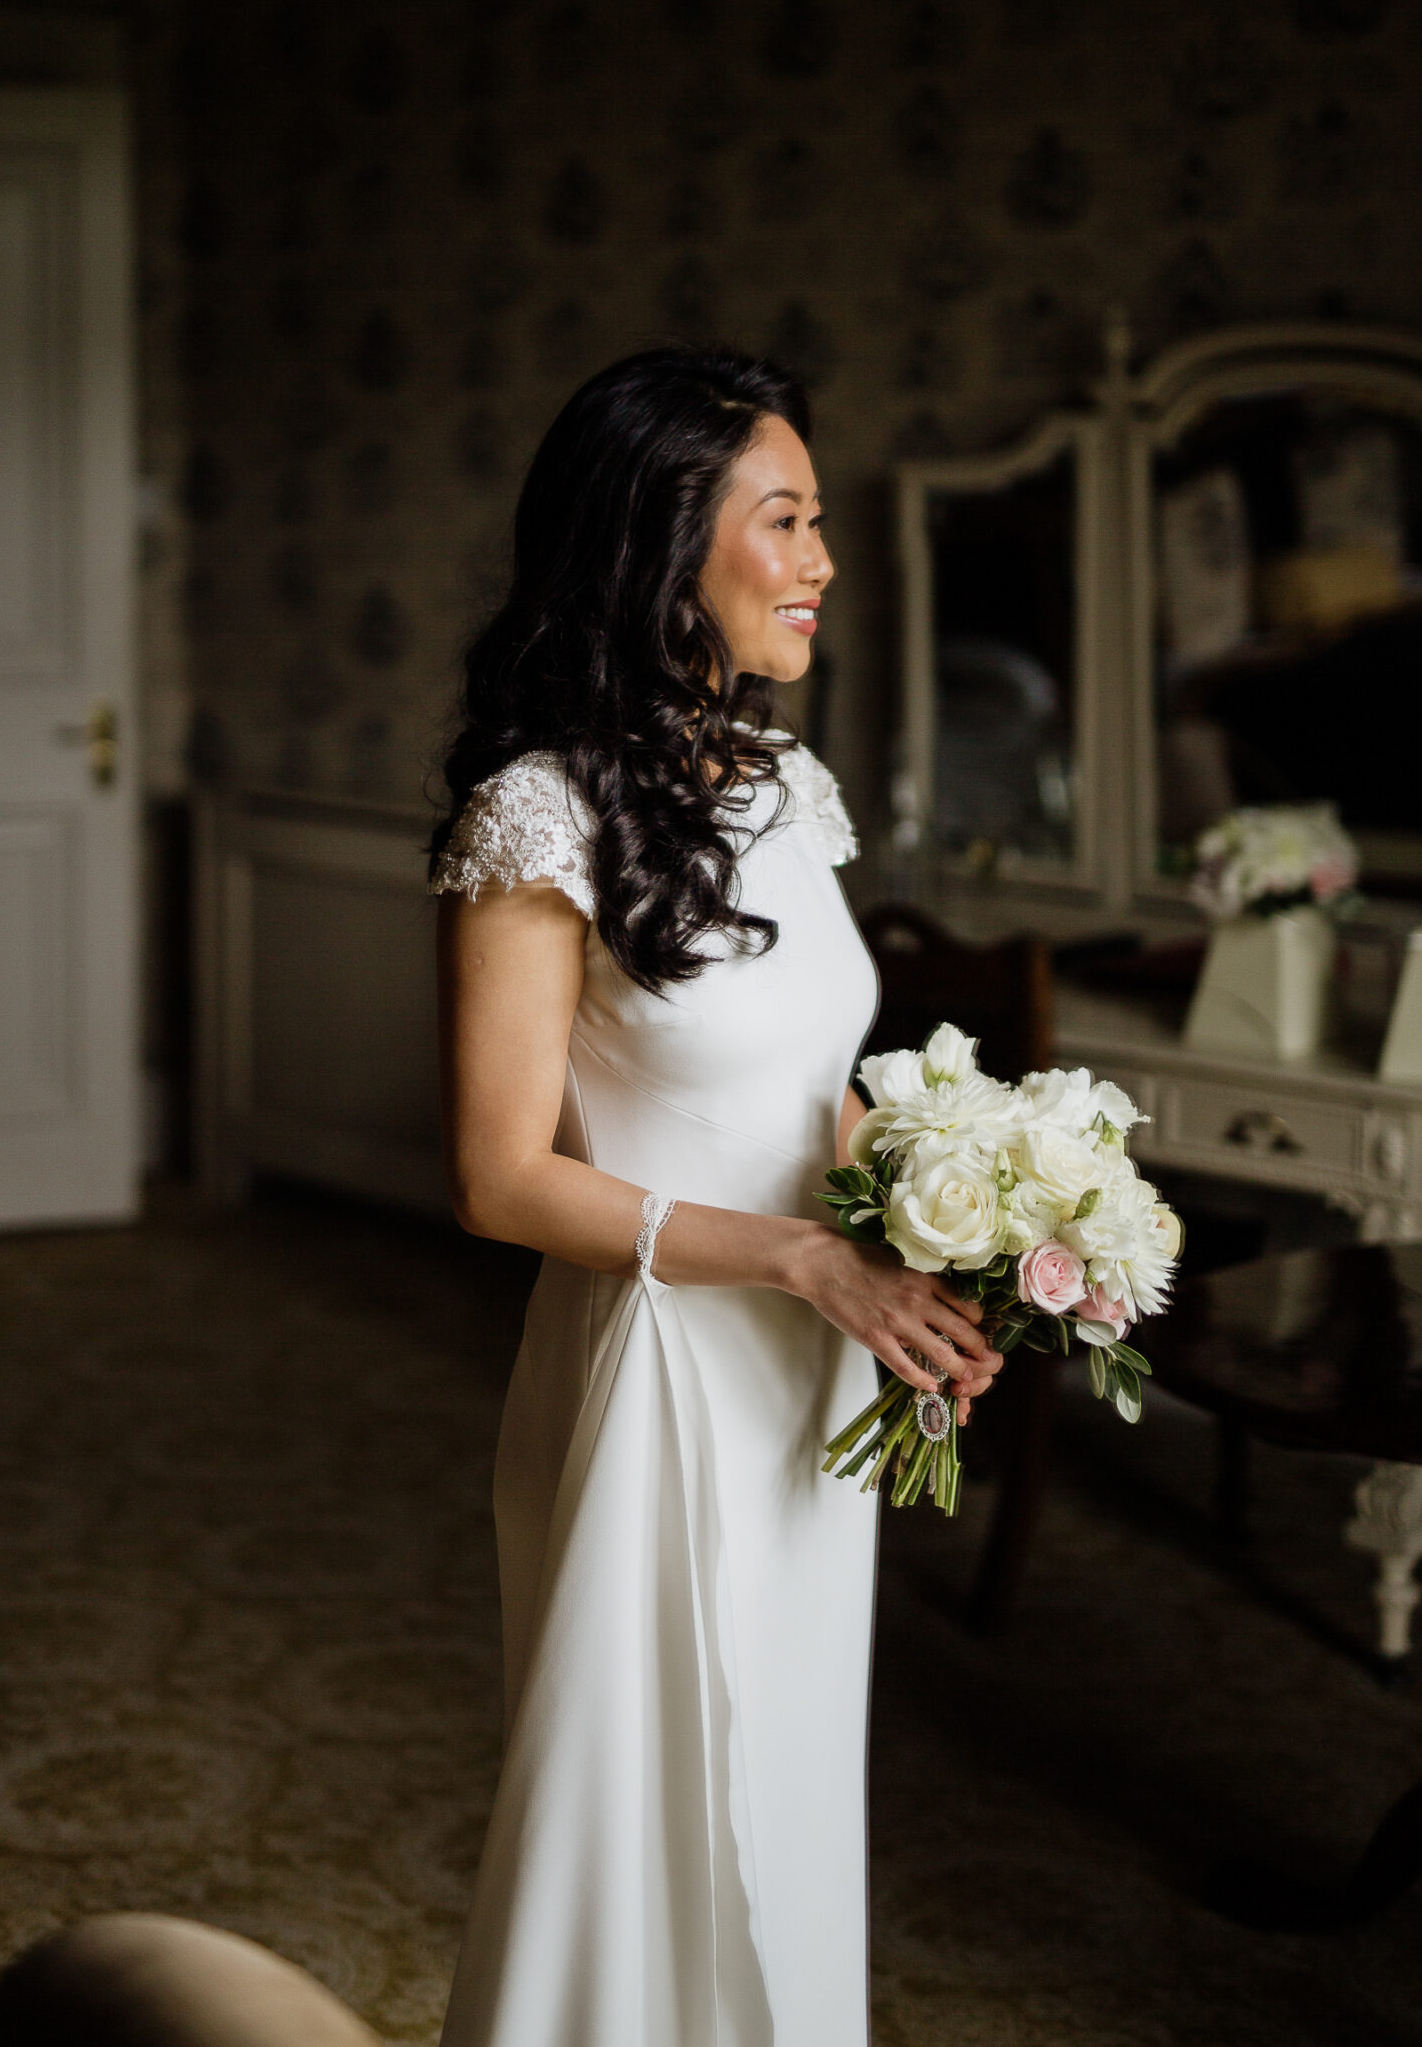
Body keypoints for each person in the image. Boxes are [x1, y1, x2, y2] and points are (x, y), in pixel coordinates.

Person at [430, 350, 1002, 2047]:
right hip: (658, 1384)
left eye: (818, 520)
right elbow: (495, 1177)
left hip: (808, 1372)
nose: (823, 559)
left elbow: (816, 1088)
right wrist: (799, 1264)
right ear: (664, 543)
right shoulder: (538, 814)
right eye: (789, 518)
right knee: (645, 1815)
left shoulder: (786, 790)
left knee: (787, 1781)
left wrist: (928, 1259)